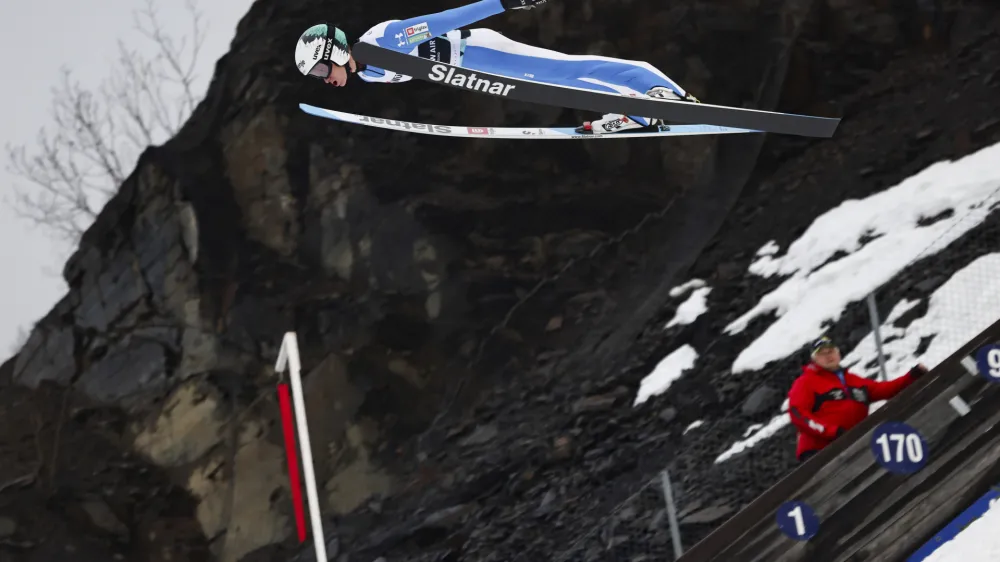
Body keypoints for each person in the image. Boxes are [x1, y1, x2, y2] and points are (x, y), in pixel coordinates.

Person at [292, 0, 701, 136]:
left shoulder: (382, 43)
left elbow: (447, 19)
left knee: (567, 72)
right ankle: (640, 111)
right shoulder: (368, 70)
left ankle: (661, 92)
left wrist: (503, 2)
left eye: (319, 70)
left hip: (484, 52)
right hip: (480, 70)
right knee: (566, 83)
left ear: (335, 50)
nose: (324, 80)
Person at [787, 336, 928, 463]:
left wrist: (912, 376)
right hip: (819, 451)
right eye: (822, 353)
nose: (828, 355)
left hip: (853, 446)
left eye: (830, 351)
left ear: (838, 353)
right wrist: (832, 432)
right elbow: (798, 413)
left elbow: (885, 389)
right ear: (815, 359)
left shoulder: (853, 380)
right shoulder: (806, 382)